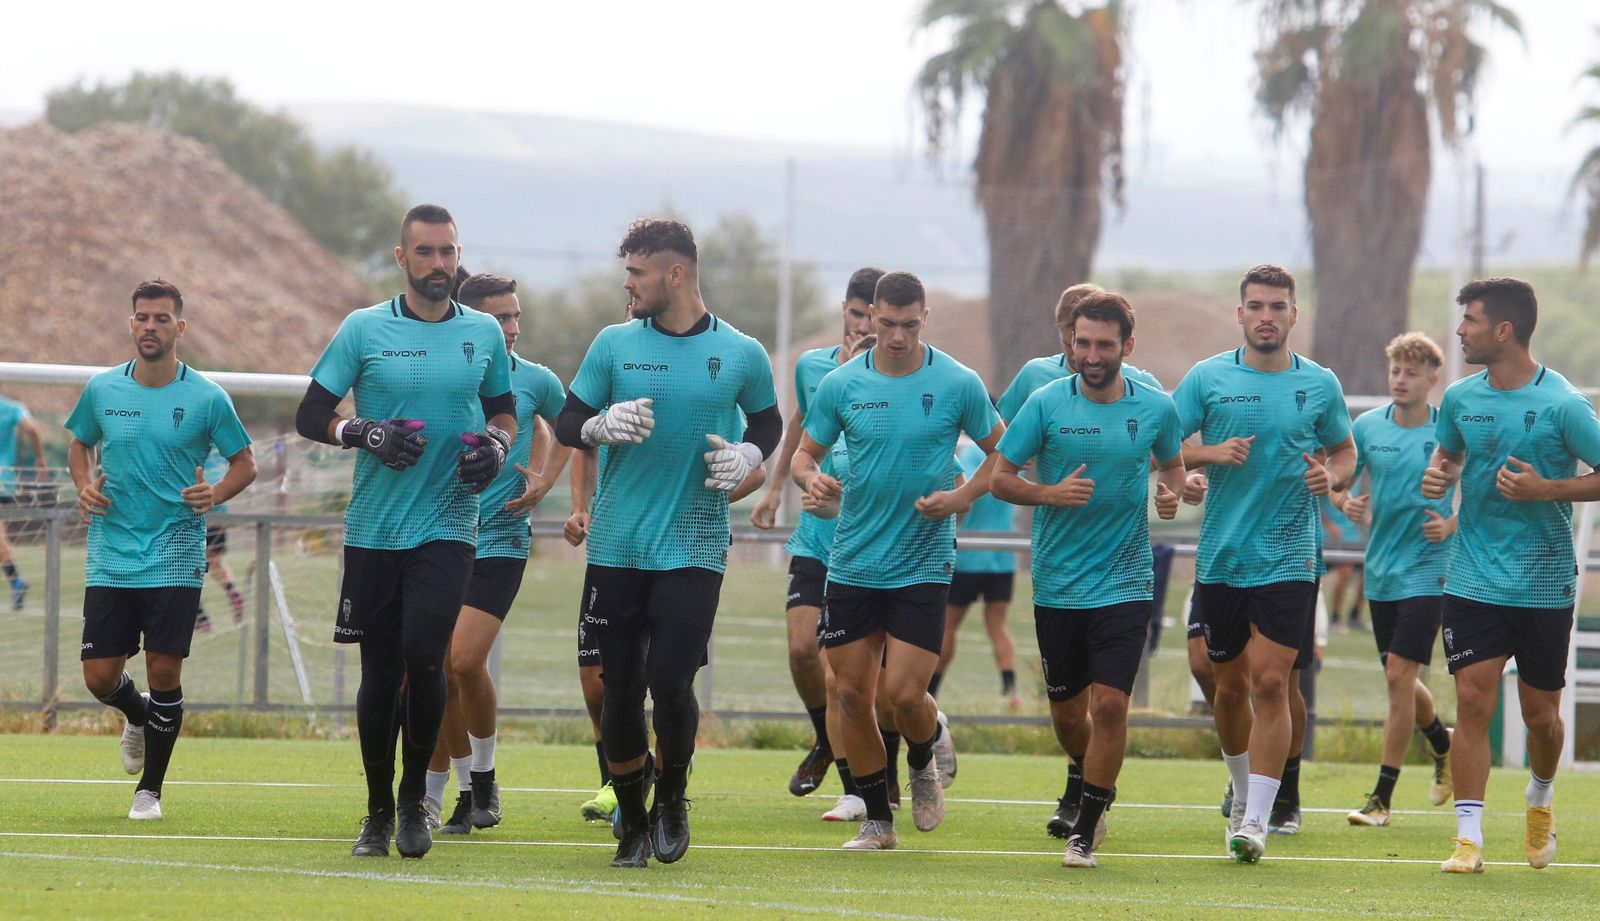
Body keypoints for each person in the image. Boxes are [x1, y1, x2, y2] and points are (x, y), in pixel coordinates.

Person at [555, 218, 780, 869]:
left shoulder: (741, 353)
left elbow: (768, 419)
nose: (628, 283)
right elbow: (569, 418)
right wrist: (597, 424)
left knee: (671, 681)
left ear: (674, 273)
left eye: (637, 272)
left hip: (695, 546)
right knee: (619, 688)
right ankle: (631, 815)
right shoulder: (612, 344)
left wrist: (747, 450)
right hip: (618, 548)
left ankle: (672, 797)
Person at [295, 204, 517, 859]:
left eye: (448, 251)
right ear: (401, 259)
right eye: (425, 252)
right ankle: (376, 810)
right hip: (374, 529)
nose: (439, 264)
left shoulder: (482, 332)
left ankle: (417, 800)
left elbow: (504, 412)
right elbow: (311, 413)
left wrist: (498, 449)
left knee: (427, 655)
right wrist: (364, 431)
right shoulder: (362, 329)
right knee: (381, 668)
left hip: (449, 524)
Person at [793, 270, 1002, 851]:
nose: (897, 337)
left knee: (904, 695)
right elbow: (804, 456)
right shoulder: (840, 384)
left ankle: (924, 752)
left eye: (909, 326)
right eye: (886, 324)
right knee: (852, 695)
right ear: (870, 317)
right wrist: (814, 483)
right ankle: (879, 820)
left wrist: (961, 498)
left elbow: (1001, 456)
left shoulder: (958, 382)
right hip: (854, 560)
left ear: (925, 319)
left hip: (922, 561)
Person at [991, 290, 1186, 868]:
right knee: (1067, 715)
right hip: (1056, 582)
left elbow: (1172, 463)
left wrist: (1172, 492)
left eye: (1104, 344)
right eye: (1083, 343)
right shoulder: (1045, 403)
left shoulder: (1156, 408)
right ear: (1071, 343)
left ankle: (1088, 825)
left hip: (1126, 579)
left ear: (1127, 346)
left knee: (1111, 707)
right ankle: (1091, 775)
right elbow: (1001, 477)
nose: (1092, 353)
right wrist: (1048, 494)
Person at [1171, 264, 1355, 863]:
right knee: (1227, 691)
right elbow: (1164, 447)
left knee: (1274, 681)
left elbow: (1345, 451)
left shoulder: (1320, 384)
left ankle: (1256, 820)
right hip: (1222, 558)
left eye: (1278, 306)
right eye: (1256, 306)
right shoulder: (1208, 378)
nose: (1267, 315)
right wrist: (1200, 465)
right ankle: (1243, 785)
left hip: (1291, 558)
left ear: (1294, 315)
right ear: (1241, 313)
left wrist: (1333, 477)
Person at [1421, 278, 1600, 873]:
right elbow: (1446, 452)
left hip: (1544, 583)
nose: (1460, 330)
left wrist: (1548, 489)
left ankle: (1540, 795)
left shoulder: (1565, 405)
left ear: (1503, 330)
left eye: (1470, 320)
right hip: (1472, 577)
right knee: (1472, 701)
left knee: (1540, 718)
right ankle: (1468, 839)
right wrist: (1440, 474)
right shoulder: (1461, 397)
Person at [69, 278, 256, 820]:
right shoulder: (103, 390)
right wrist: (83, 485)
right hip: (111, 551)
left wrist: (215, 493)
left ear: (180, 327)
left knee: (165, 672)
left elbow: (245, 462)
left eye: (161, 318)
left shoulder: (206, 397)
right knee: (99, 677)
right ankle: (135, 714)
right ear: (131, 324)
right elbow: (79, 444)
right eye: (142, 317)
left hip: (175, 551)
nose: (151, 326)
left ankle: (149, 790)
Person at [420, 273, 573, 835]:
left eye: (515, 316)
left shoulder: (535, 379)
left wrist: (545, 483)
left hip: (502, 540)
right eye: (500, 318)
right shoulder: (447, 372)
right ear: (473, 320)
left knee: (461, 661)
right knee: (433, 669)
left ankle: (481, 779)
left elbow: (571, 431)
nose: (510, 328)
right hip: (439, 532)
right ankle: (447, 792)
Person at [750, 267, 880, 801]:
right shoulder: (814, 367)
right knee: (803, 651)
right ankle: (826, 738)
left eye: (876, 315)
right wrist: (776, 488)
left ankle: (874, 775)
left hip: (874, 545)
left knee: (854, 676)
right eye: (857, 314)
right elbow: (802, 425)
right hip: (815, 537)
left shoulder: (905, 375)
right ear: (844, 312)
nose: (866, 324)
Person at [1336, 332, 1456, 828]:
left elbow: (1482, 487)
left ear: (1432, 379)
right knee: (1401, 679)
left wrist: (1453, 524)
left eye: (1411, 373)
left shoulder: (1449, 431)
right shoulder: (1367, 428)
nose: (1400, 381)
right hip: (1381, 570)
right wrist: (1346, 503)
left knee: (1396, 678)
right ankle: (1444, 748)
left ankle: (1381, 799)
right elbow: (1342, 479)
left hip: (1430, 571)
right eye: (1395, 372)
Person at [932, 438, 1020, 709]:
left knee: (948, 625)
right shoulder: (1014, 455)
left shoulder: (972, 454)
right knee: (997, 625)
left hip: (970, 557)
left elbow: (966, 490)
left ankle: (930, 689)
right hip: (1002, 556)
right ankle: (1011, 688)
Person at [192, 448, 247, 632]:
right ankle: (232, 589)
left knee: (184, 564)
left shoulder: (192, 438)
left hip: (197, 503)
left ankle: (200, 617)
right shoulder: (220, 442)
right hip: (219, 503)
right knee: (215, 561)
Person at [0, 392, 45, 609]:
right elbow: (32, 428)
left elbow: (32, 429)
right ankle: (15, 580)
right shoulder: (11, 408)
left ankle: (16, 580)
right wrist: (40, 458)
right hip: (5, 481)